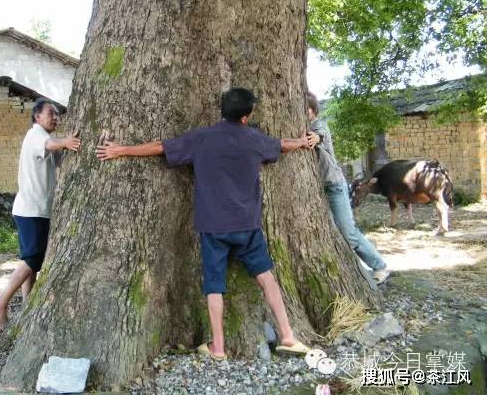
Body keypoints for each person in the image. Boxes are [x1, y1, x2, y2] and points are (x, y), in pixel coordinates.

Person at [96, 88, 313, 360]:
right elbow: (281, 144)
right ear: (247, 116)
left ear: (222, 110)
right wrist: (303, 142)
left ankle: (218, 347)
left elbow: (160, 147)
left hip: (213, 227)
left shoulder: (202, 138)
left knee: (214, 285)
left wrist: (121, 150)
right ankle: (288, 336)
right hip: (248, 225)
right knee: (266, 277)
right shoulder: (254, 139)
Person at [0, 98, 81, 330]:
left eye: (57, 114)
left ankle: (28, 304)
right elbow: (51, 145)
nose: (56, 117)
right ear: (37, 117)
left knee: (32, 260)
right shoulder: (36, 135)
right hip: (32, 210)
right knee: (32, 259)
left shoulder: (44, 140)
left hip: (34, 209)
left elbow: (55, 153)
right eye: (51, 113)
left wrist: (67, 144)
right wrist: (66, 141)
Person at [305, 92, 390, 284]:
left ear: (313, 110)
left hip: (333, 185)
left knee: (347, 231)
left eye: (306, 109)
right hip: (320, 189)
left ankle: (380, 267)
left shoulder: (319, 125)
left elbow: (318, 136)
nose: (303, 113)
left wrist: (313, 139)